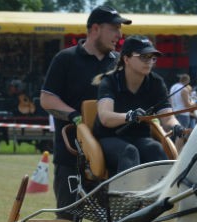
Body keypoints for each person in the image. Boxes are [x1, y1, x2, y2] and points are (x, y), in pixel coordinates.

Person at [40, 5, 131, 211]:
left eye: (120, 29)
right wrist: (75, 117)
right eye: (114, 28)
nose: (119, 34)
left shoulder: (119, 63)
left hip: (113, 157)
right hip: (72, 157)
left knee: (121, 219)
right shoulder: (65, 59)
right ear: (95, 29)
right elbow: (47, 99)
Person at [92, 35, 185, 175]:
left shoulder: (156, 83)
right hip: (109, 138)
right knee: (129, 151)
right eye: (143, 57)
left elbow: (167, 118)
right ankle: (126, 196)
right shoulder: (110, 82)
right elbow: (105, 118)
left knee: (156, 148)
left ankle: (163, 195)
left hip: (141, 138)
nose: (149, 62)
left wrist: (177, 127)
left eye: (152, 58)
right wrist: (129, 115)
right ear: (126, 59)